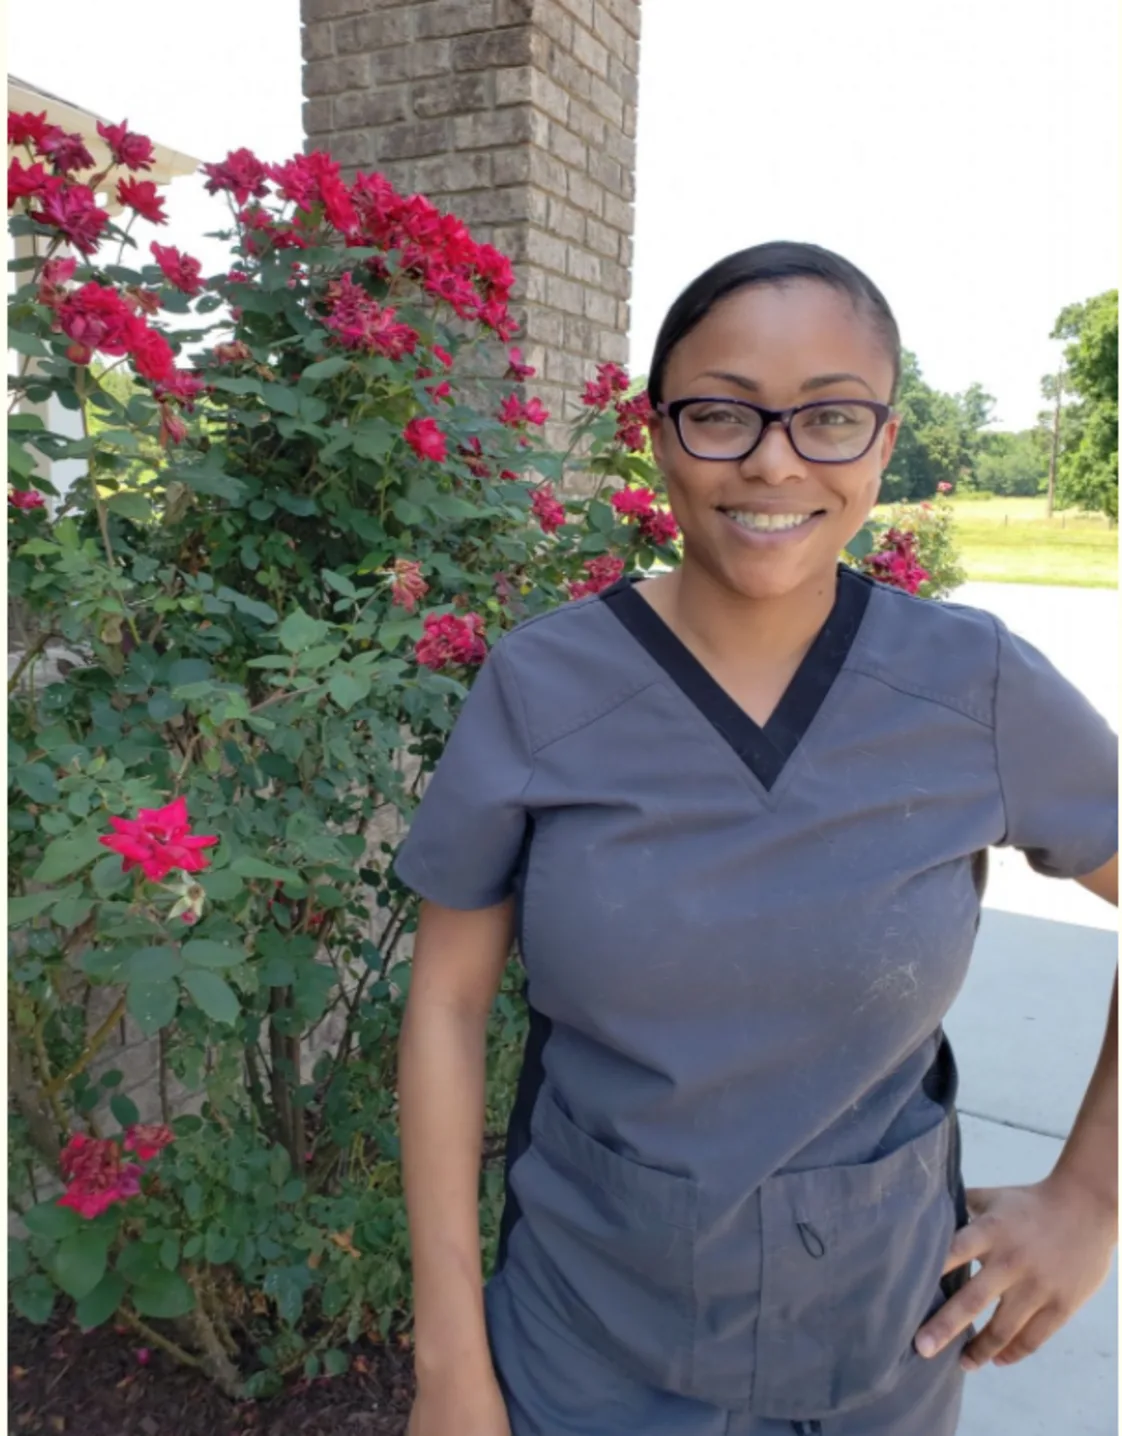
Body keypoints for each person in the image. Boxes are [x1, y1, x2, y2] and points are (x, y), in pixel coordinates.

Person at [394, 242, 1118, 1436]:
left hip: (882, 1349)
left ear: (885, 439)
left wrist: (1091, 1192)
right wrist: (447, 1366)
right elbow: (446, 1008)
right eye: (722, 412)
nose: (774, 458)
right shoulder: (546, 688)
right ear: (660, 431)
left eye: (830, 416)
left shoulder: (975, 690)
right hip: (583, 1348)